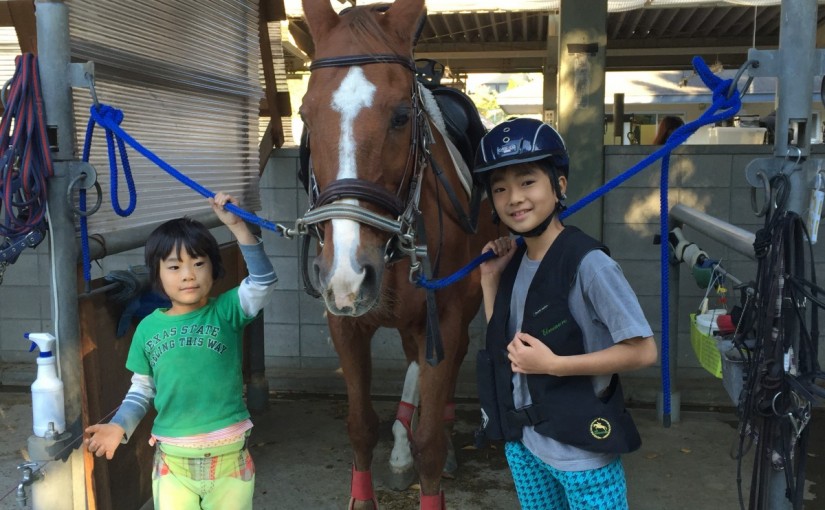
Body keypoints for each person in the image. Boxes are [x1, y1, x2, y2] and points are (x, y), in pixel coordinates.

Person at [473, 118, 658, 509]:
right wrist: (490, 281)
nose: (514, 198)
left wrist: (554, 365)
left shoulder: (590, 264)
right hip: (526, 445)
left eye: (527, 182)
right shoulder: (517, 259)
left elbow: (642, 351)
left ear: (559, 185)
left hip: (582, 451)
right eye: (500, 188)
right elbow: (508, 348)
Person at [84, 192, 277, 510]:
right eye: (174, 266)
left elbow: (263, 281)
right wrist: (119, 426)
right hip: (173, 464)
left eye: (198, 263)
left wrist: (238, 227)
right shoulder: (147, 328)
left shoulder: (227, 310)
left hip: (229, 461)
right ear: (157, 275)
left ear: (213, 269)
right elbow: (141, 391)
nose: (188, 274)